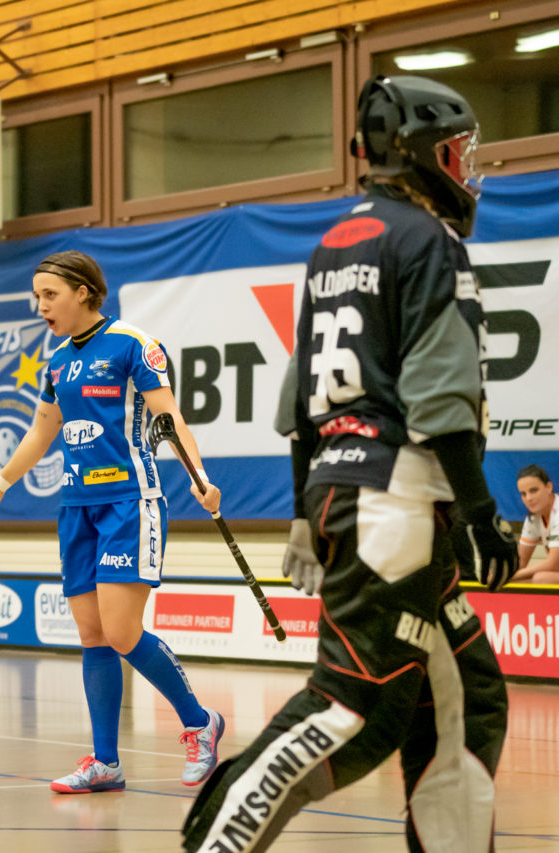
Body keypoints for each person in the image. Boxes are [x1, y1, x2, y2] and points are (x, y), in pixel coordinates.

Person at [182, 76, 515, 853]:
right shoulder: (430, 241)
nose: (464, 168)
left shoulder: (337, 243)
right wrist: (479, 513)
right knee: (356, 708)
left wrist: (305, 507)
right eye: (454, 152)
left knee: (466, 689)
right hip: (397, 498)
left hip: (350, 488)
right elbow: (442, 395)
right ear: (415, 153)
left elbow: (299, 396)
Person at [0, 250, 224, 795]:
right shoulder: (56, 360)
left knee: (122, 631)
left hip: (130, 502)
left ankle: (201, 723)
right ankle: (105, 762)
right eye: (36, 296)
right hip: (76, 505)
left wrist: (199, 475)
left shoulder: (134, 343)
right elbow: (42, 430)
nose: (40, 306)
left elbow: (168, 417)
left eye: (49, 295)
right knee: (92, 635)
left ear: (83, 291)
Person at [516, 464, 559, 584]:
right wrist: (502, 574)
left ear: (549, 487)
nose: (528, 498)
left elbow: (553, 564)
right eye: (523, 494)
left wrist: (512, 576)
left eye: (533, 490)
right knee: (517, 579)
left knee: (541, 579)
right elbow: (521, 562)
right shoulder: (533, 517)